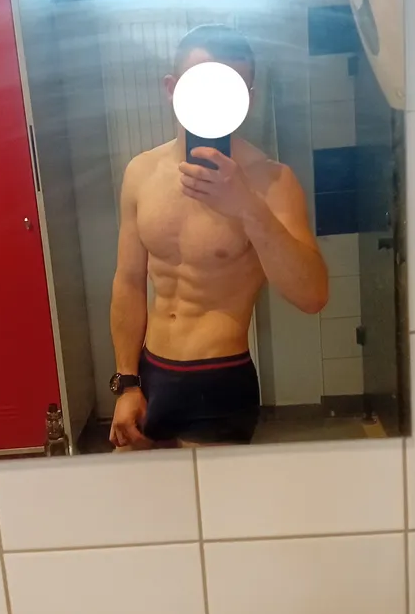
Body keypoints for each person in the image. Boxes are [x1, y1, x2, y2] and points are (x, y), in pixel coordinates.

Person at [109, 24, 328, 449]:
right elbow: (129, 282)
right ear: (172, 89)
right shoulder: (141, 173)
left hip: (218, 380)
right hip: (149, 374)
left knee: (206, 496)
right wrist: (127, 382)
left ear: (249, 96)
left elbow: (312, 296)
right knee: (141, 492)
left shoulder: (271, 181)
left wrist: (247, 206)